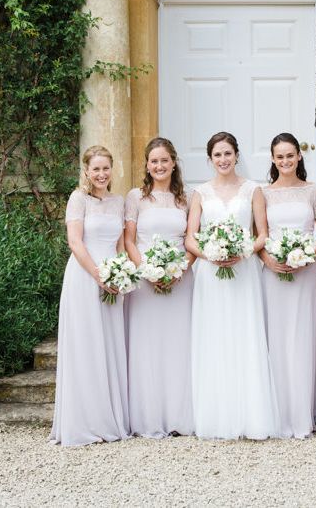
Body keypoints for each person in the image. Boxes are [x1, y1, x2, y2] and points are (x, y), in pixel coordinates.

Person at [185, 131, 278, 439]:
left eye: (228, 153)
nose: (223, 160)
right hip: (210, 275)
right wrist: (209, 255)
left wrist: (243, 251)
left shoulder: (253, 190)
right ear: (210, 159)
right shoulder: (200, 193)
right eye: (217, 155)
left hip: (243, 271)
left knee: (243, 333)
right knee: (214, 336)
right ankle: (215, 416)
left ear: (237, 155)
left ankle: (250, 415)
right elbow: (190, 237)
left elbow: (262, 233)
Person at [49, 146, 130, 446]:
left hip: (113, 278)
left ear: (112, 169)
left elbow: (120, 244)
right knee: (86, 345)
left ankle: (109, 417)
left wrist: (122, 274)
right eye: (95, 169)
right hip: (85, 277)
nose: (100, 174)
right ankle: (84, 421)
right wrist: (100, 276)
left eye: (105, 168)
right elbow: (75, 241)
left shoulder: (119, 201)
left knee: (109, 345)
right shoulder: (78, 199)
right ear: (86, 171)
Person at [259, 133, 316, 438]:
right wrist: (268, 260)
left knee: (303, 336)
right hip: (274, 273)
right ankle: (279, 410)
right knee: (276, 338)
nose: (285, 161)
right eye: (280, 156)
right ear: (273, 160)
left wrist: (307, 255)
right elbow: (259, 235)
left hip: (305, 273)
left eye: (290, 155)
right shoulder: (263, 193)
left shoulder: (313, 191)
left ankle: (303, 411)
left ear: (299, 157)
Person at [124, 137, 195, 437]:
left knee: (179, 344)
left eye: (164, 160)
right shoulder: (136, 197)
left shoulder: (188, 197)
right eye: (154, 161)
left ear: (174, 162)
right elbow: (128, 240)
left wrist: (180, 268)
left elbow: (193, 239)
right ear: (147, 165)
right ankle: (147, 417)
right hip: (145, 282)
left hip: (181, 280)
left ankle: (180, 416)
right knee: (147, 344)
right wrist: (147, 270)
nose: (159, 166)